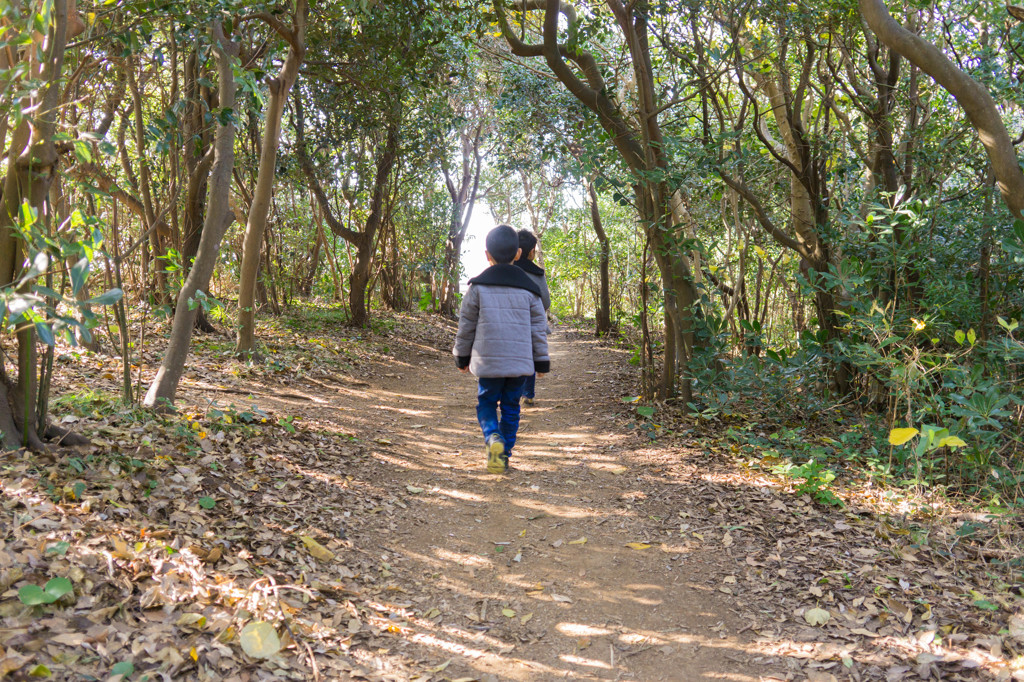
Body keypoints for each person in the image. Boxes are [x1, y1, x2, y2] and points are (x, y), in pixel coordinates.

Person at [453, 224, 550, 474]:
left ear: (487, 255)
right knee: (511, 406)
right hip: (519, 364)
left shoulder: (477, 288)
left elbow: (466, 327)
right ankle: (504, 453)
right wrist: (541, 362)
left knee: (486, 402)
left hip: (488, 363)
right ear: (518, 254)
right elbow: (538, 329)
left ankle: (492, 436)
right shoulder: (531, 291)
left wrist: (461, 357)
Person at [514, 229, 550, 406]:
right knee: (529, 356)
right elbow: (546, 301)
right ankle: (528, 393)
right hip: (529, 324)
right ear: (530, 252)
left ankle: (511, 390)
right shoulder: (537, 273)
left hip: (510, 323)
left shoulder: (506, 270)